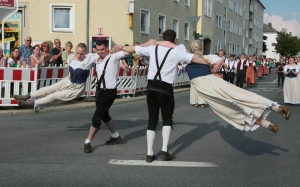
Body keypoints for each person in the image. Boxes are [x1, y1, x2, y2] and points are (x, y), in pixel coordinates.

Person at [162, 40, 291, 134]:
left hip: (203, 86)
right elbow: (219, 61)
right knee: (241, 96)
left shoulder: (187, 57)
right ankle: (276, 107)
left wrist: (152, 44)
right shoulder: (208, 57)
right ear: (201, 49)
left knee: (228, 108)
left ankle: (267, 124)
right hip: (213, 80)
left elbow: (173, 45)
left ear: (191, 49)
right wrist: (212, 71)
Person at [121, 29, 209, 163]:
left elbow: (133, 48)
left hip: (151, 87)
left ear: (162, 38)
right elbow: (194, 58)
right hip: (166, 88)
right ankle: (164, 150)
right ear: (174, 40)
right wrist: (209, 63)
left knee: (152, 120)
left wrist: (120, 47)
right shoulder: (176, 51)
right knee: (167, 119)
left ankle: (149, 153)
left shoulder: (152, 48)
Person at [13, 43, 97, 108]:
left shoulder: (89, 58)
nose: (79, 55)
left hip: (77, 88)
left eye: (81, 54)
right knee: (48, 89)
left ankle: (32, 103)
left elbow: (104, 53)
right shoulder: (71, 56)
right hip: (68, 81)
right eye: (77, 53)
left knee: (54, 96)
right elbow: (70, 67)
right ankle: (27, 96)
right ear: (75, 51)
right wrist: (69, 73)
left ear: (85, 53)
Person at [84, 40, 129, 154]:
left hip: (109, 92)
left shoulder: (114, 57)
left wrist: (122, 46)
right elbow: (81, 58)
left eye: (102, 50)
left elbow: (129, 51)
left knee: (96, 117)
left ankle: (87, 141)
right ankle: (115, 136)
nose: (100, 52)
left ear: (107, 49)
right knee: (104, 115)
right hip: (99, 91)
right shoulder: (95, 58)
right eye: (98, 50)